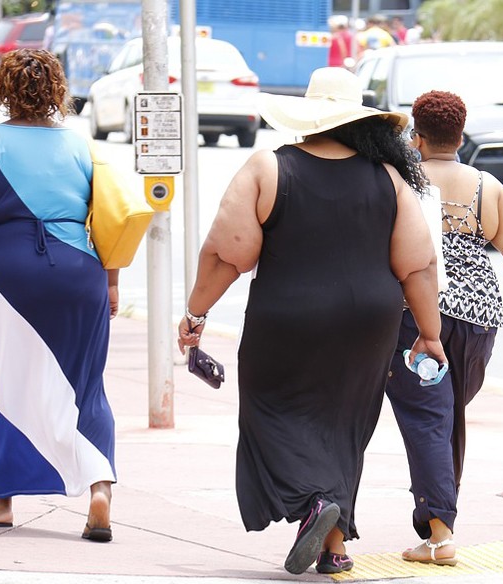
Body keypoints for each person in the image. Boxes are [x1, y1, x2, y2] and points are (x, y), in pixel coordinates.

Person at [176, 67, 447, 576]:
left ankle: (313, 506)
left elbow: (225, 254)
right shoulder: (389, 179)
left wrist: (196, 312)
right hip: (370, 322)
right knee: (345, 422)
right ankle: (334, 544)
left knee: (270, 410)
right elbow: (419, 264)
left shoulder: (270, 169)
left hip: (288, 317)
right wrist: (429, 336)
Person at [386, 90, 503, 565]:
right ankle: (437, 527)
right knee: (447, 415)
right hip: (477, 320)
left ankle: (440, 532)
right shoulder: (486, 187)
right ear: (462, 134)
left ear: (419, 135)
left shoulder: (398, 181)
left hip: (416, 314)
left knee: (429, 419)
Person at [0, 49, 118, 542]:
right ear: (57, 91)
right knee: (86, 384)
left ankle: (1, 502)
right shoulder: (84, 146)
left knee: (6, 383)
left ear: (4, 90)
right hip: (80, 272)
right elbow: (109, 220)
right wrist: (111, 284)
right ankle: (99, 486)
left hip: (7, 277)